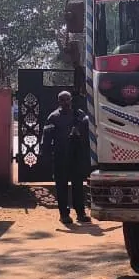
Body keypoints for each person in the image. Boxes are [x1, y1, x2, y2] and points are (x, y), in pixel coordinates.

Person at [44, 90, 91, 226]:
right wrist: (46, 155)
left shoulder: (79, 114)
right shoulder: (53, 117)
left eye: (67, 99)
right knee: (61, 186)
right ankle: (64, 214)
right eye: (62, 100)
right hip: (60, 156)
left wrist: (79, 131)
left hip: (75, 156)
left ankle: (80, 213)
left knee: (78, 185)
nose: (65, 102)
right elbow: (47, 137)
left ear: (71, 100)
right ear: (58, 101)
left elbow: (88, 130)